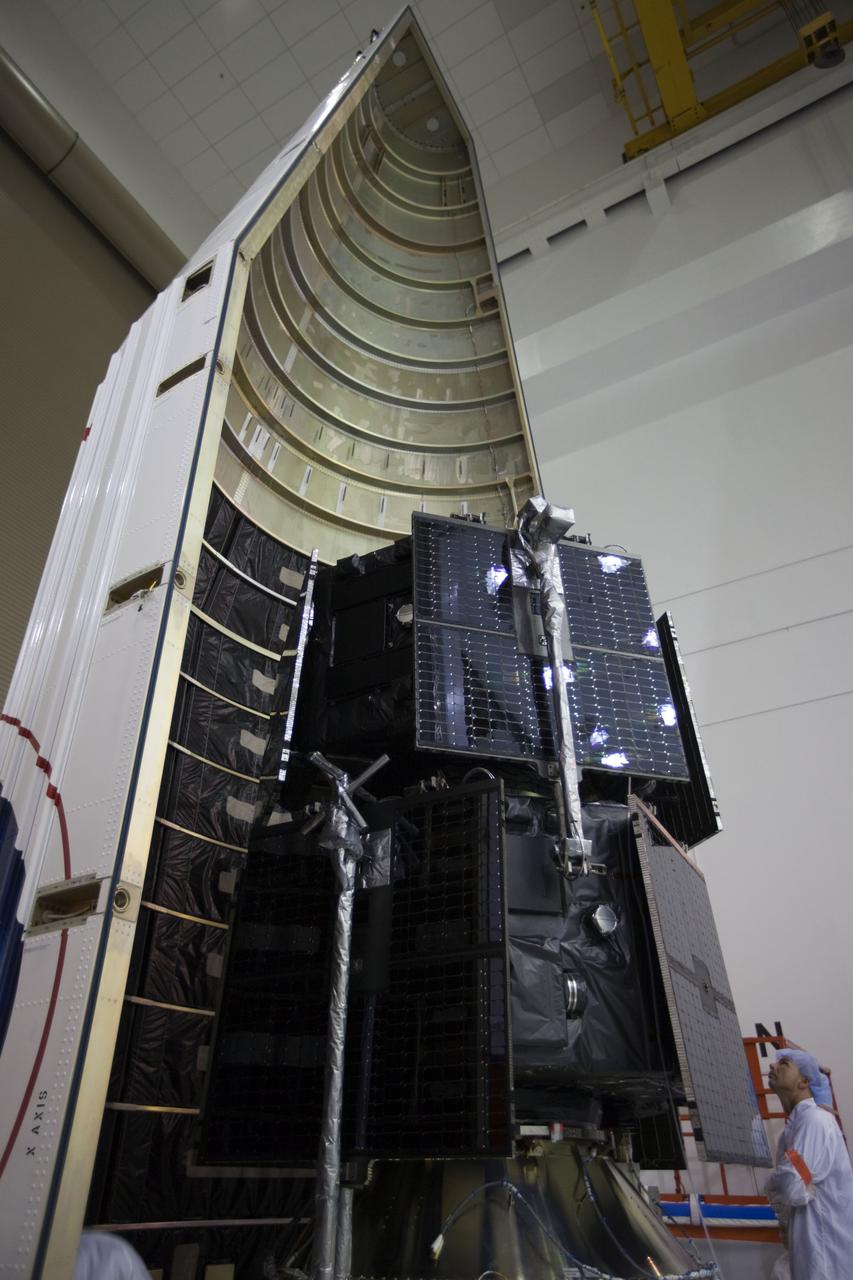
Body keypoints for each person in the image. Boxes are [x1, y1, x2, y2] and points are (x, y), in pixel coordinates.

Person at [765, 1047, 853, 1280]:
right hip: (810, 1254)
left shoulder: (816, 1121)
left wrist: (773, 1183)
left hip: (828, 1260)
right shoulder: (790, 1133)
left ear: (804, 1081)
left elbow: (791, 1185)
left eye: (784, 1063)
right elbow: (791, 1184)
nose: (772, 1067)